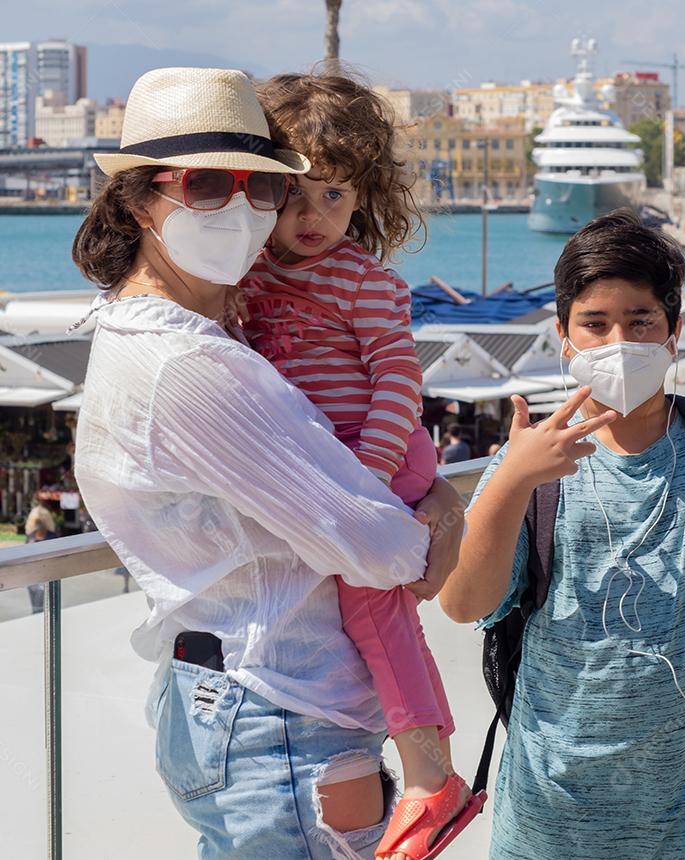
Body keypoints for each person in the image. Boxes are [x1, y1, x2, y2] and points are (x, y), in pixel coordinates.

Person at [69, 67, 464, 860]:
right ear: (141, 200)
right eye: (208, 184)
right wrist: (443, 514)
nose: (244, 208)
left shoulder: (172, 332)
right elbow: (385, 550)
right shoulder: (189, 364)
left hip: (237, 701)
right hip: (278, 709)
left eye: (262, 186)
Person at [440, 210, 685, 860]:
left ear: (674, 333)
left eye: (641, 322)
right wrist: (511, 480)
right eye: (595, 324)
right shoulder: (532, 459)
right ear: (564, 338)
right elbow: (464, 603)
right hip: (556, 811)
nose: (618, 341)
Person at [239, 73, 480, 860]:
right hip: (334, 471)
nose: (313, 218)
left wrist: (365, 479)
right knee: (380, 608)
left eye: (334, 197)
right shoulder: (250, 281)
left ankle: (430, 779)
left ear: (364, 198)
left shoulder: (366, 280)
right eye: (293, 197)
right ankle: (429, 776)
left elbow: (397, 380)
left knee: (375, 604)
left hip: (378, 457)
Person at [24, 494, 59, 613]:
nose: (39, 524)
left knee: (42, 607)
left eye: (41, 521)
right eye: (37, 521)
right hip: (31, 576)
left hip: (45, 576)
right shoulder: (31, 537)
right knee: (35, 606)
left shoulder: (51, 537)